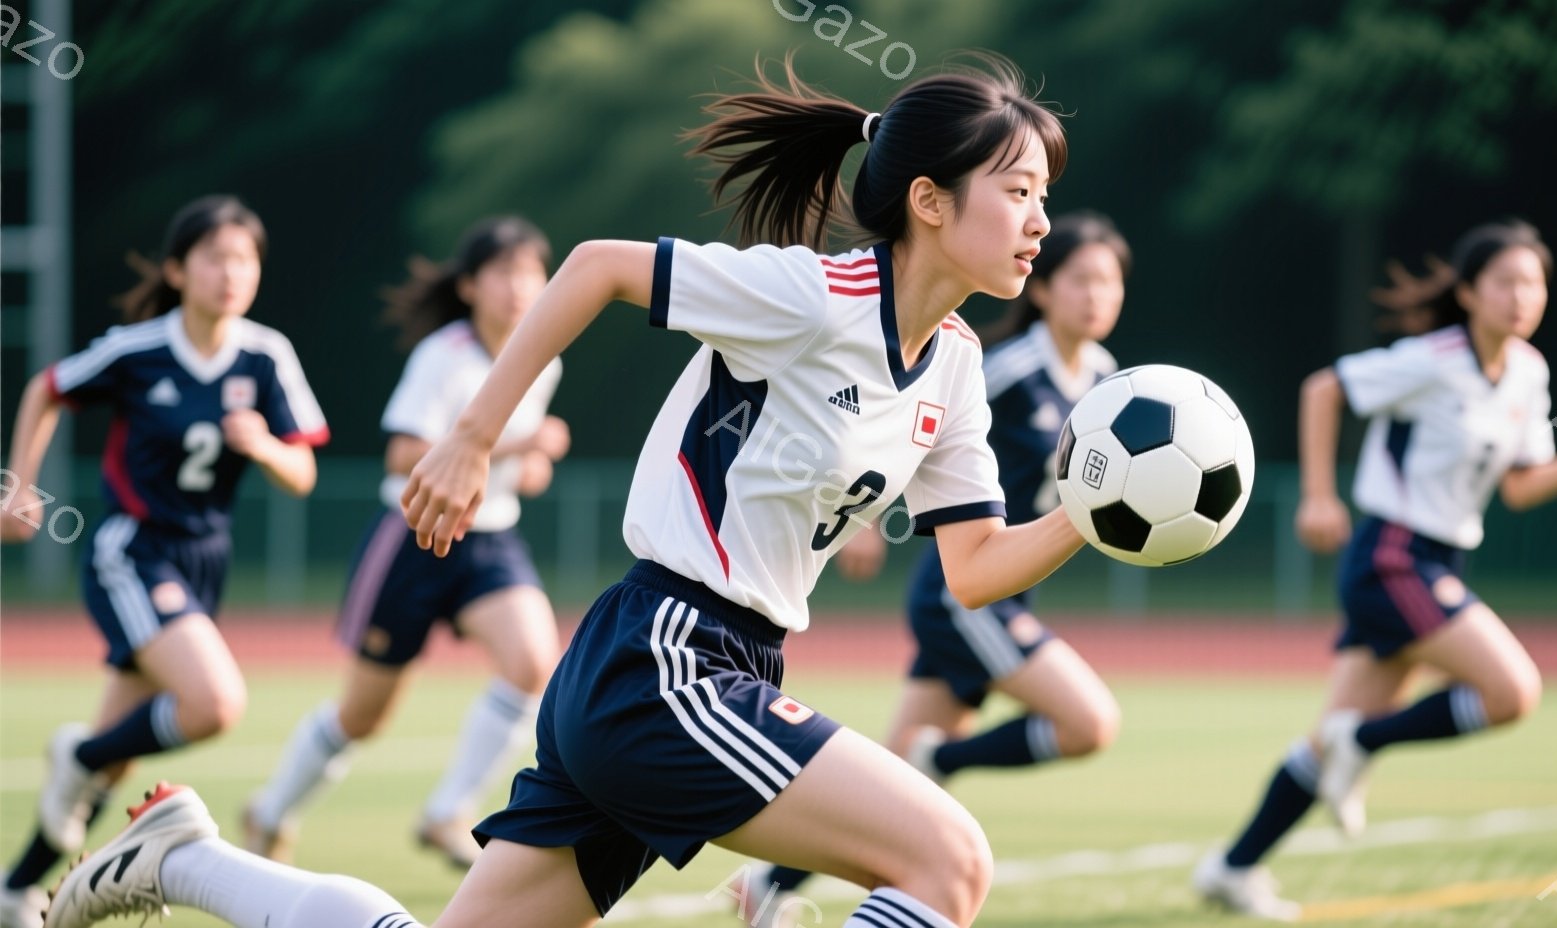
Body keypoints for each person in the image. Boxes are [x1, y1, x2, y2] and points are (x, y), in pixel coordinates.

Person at [45, 53, 1095, 928]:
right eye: (1016, 190)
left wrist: (1092, 510)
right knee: (947, 861)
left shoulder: (953, 366)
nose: (1039, 219)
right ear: (926, 199)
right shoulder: (811, 295)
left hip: (691, 667)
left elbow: (973, 570)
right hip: (666, 662)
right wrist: (467, 437)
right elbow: (593, 266)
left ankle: (184, 860)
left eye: (1041, 194)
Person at [1191, 220, 1557, 921]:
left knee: (1322, 743)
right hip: (1392, 554)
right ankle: (1361, 742)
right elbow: (1322, 389)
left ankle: (1231, 866)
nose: (1522, 297)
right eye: (1506, 281)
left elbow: (1517, 487)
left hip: (1438, 558)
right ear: (1468, 291)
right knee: (1512, 691)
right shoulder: (1432, 358)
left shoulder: (1528, 372)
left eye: (1533, 282)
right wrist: (1319, 496)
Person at [744, 210, 1129, 919]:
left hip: (1009, 591)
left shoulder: (1109, 383)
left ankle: (769, 884)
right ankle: (942, 759)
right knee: (1089, 723)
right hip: (968, 593)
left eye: (1110, 282)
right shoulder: (1005, 367)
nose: (1097, 296)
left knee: (886, 783)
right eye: (1081, 279)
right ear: (1043, 290)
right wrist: (862, 518)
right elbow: (902, 424)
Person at [0, 196, 328, 928]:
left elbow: (302, 472)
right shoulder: (136, 348)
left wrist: (265, 445)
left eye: (244, 260)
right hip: (133, 550)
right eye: (215, 257)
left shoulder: (266, 354)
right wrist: (22, 486)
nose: (231, 273)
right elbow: (44, 390)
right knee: (214, 705)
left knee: (110, 762)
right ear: (178, 269)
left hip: (205, 559)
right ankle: (79, 756)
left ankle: (17, 886)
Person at [242, 217, 568, 870]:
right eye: (503, 272)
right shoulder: (442, 357)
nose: (518, 288)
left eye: (531, 273)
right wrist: (519, 446)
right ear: (471, 286)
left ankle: (448, 812)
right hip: (414, 537)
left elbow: (506, 467)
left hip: (491, 538)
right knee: (363, 717)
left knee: (534, 663)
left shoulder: (545, 360)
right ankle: (271, 811)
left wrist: (528, 468)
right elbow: (404, 456)